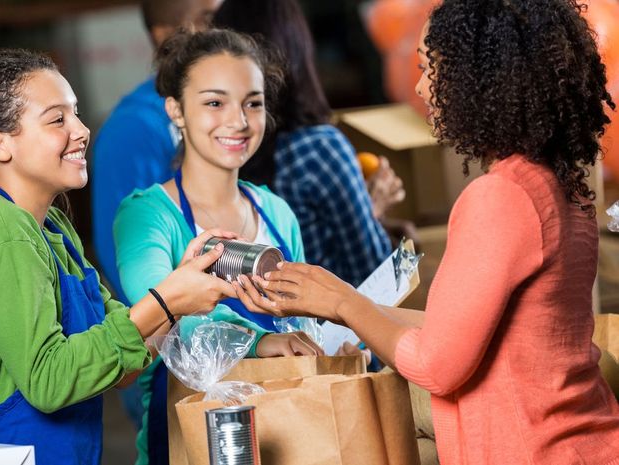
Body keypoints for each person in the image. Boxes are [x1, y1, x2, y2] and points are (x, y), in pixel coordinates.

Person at [235, 0, 619, 463]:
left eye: (427, 68)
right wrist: (342, 304)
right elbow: (461, 335)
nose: (418, 86)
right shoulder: (557, 186)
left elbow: (436, 365)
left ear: (477, 78)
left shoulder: (499, 197)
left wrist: (343, 302)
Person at [0, 48, 239, 465]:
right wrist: (166, 301)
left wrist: (179, 297)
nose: (81, 130)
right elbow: (50, 382)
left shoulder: (52, 229)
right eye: (57, 119)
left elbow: (123, 367)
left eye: (76, 114)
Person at [113, 29, 322, 465]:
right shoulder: (147, 216)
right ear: (176, 111)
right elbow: (161, 306)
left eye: (253, 102)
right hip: (187, 444)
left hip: (293, 435)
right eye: (214, 103)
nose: (239, 121)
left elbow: (304, 319)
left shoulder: (278, 214)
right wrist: (262, 343)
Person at [213, 0, 403, 288]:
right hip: (323, 328)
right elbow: (376, 279)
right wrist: (370, 209)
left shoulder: (211, 149)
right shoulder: (317, 149)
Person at [91, 0, 223, 304]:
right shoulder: (132, 128)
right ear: (165, 35)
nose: (223, 30)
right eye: (208, 19)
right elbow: (124, 257)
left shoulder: (231, 112)